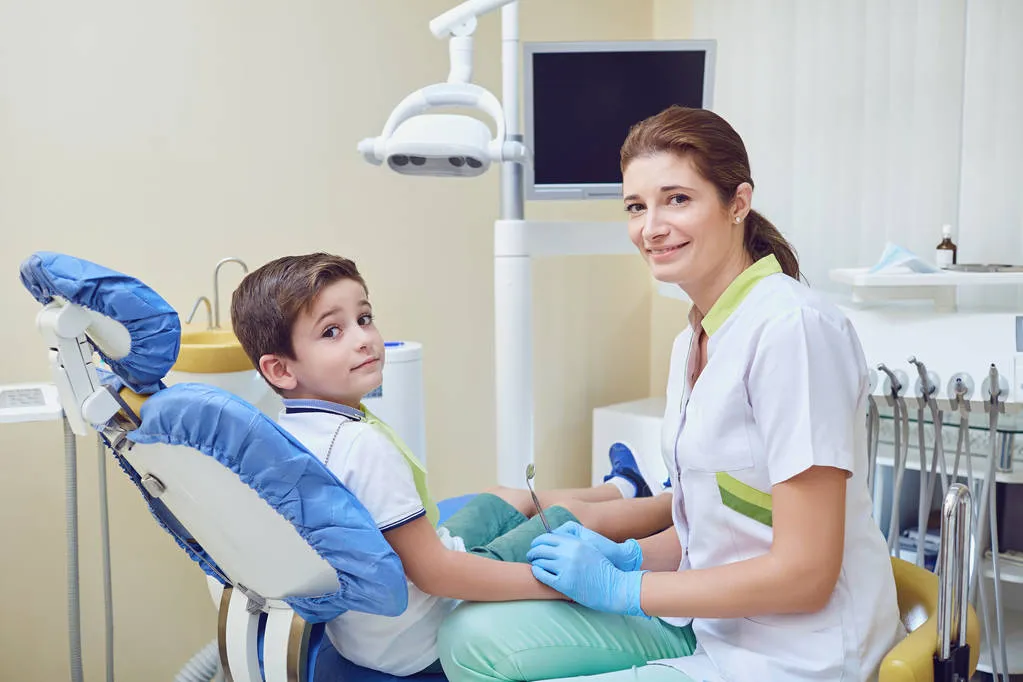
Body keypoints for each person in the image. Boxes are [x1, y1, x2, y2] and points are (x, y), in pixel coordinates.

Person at [436, 106, 905, 682]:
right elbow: (714, 524)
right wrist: (634, 556)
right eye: (636, 207)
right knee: (468, 638)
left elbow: (807, 574)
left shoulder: (792, 332)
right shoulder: (695, 338)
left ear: (737, 203)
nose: (651, 227)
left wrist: (627, 587)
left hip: (797, 653)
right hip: (707, 619)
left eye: (677, 199)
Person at [228, 252, 673, 677]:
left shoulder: (288, 434)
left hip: (368, 638)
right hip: (425, 632)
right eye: (332, 332)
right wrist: (564, 585)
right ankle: (677, 503)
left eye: (363, 318)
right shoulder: (359, 446)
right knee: (564, 519)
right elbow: (436, 573)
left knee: (503, 497)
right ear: (281, 370)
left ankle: (624, 487)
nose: (363, 337)